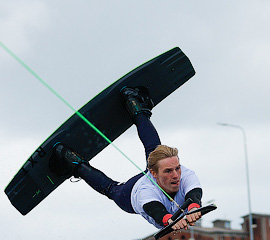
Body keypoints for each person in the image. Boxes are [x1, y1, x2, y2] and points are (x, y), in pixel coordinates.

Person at [50, 87, 204, 231]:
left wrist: (194, 208)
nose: (176, 175)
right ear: (153, 173)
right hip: (130, 194)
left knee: (155, 151)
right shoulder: (145, 193)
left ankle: (69, 156)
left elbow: (194, 195)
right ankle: (74, 164)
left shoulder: (186, 175)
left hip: (153, 186)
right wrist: (169, 220)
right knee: (110, 189)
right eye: (168, 171)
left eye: (177, 168)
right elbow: (156, 211)